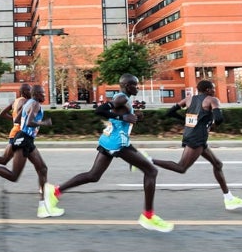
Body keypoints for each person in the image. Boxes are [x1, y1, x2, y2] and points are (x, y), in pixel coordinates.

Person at [43, 74, 174, 232]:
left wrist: (132, 117)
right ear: (126, 86)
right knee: (151, 171)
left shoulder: (124, 98)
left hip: (111, 140)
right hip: (118, 144)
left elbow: (120, 118)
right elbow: (100, 110)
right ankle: (148, 216)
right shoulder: (122, 97)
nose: (137, 87)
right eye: (135, 85)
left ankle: (55, 191)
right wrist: (123, 116)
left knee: (93, 175)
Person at [0, 84, 63, 218]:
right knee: (14, 176)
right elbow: (28, 122)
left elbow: (16, 119)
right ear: (37, 94)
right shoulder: (35, 104)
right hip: (24, 140)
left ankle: (43, 207)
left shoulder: (28, 103)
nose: (45, 95)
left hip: (26, 139)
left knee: (43, 169)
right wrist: (44, 123)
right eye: (43, 93)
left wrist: (27, 124)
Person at [150, 79, 242, 211]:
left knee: (218, 164)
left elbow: (170, 112)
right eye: (213, 88)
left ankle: (229, 199)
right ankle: (147, 160)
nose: (214, 90)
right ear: (208, 90)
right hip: (197, 138)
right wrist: (212, 125)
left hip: (191, 135)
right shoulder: (212, 100)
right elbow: (219, 118)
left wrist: (186, 120)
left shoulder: (189, 99)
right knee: (181, 168)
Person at [0, 83, 32, 165]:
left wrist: (14, 119)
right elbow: (19, 115)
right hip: (19, 134)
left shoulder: (16, 101)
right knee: (4, 160)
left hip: (18, 133)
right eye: (30, 90)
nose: (32, 92)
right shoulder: (24, 101)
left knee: (4, 160)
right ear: (24, 91)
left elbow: (2, 113)